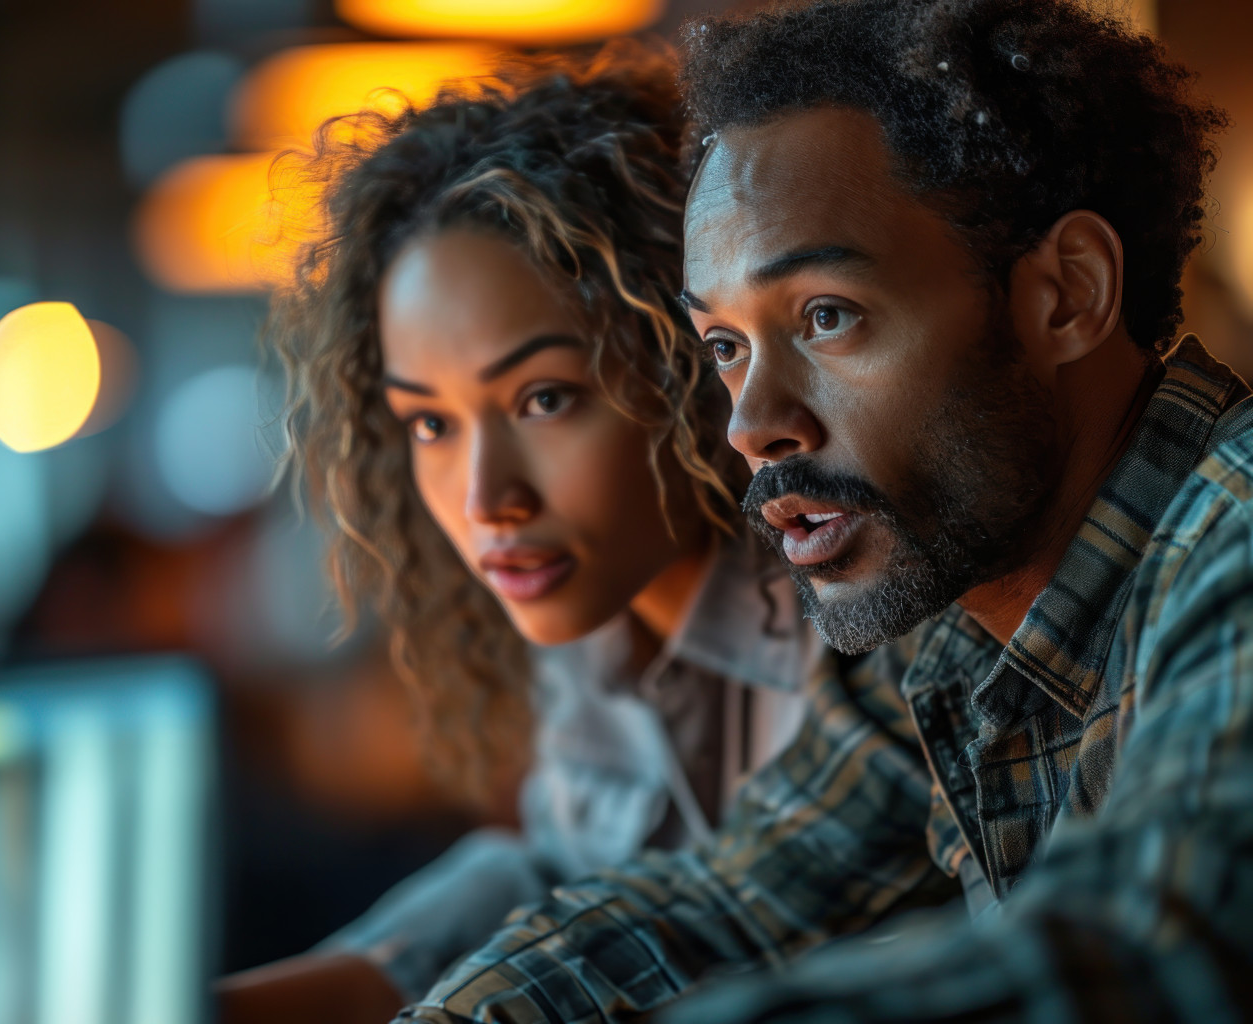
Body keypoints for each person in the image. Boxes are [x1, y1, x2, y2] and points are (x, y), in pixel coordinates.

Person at [395, 1, 1253, 1021]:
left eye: (825, 317)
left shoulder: (1232, 536)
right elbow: (723, 908)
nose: (749, 425)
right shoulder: (945, 633)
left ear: (1064, 295)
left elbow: (1151, 948)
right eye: (725, 347)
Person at [215, 44, 820, 1024]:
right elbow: (553, 876)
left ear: (690, 364)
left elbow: (699, 942)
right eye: (430, 423)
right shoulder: (592, 620)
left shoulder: (844, 628)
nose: (484, 497)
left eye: (543, 398)